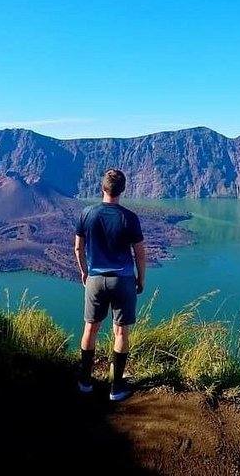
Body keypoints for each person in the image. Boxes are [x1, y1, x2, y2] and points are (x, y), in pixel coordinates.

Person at [74, 168, 146, 401]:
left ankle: (85, 382)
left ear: (102, 188)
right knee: (121, 331)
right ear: (122, 190)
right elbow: (140, 253)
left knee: (90, 328)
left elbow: (78, 248)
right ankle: (116, 388)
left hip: (95, 279)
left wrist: (85, 272)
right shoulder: (129, 217)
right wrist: (140, 279)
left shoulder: (87, 214)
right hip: (123, 280)